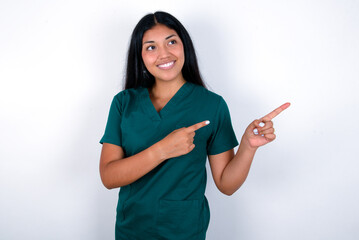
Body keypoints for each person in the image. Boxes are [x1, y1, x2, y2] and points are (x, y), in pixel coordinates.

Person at [99, 11, 290, 240]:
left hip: (184, 232)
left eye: (171, 42)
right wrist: (162, 150)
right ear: (139, 55)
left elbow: (226, 184)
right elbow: (109, 177)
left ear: (184, 46)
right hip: (131, 230)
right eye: (151, 47)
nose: (164, 53)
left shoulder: (212, 105)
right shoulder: (123, 103)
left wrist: (248, 147)